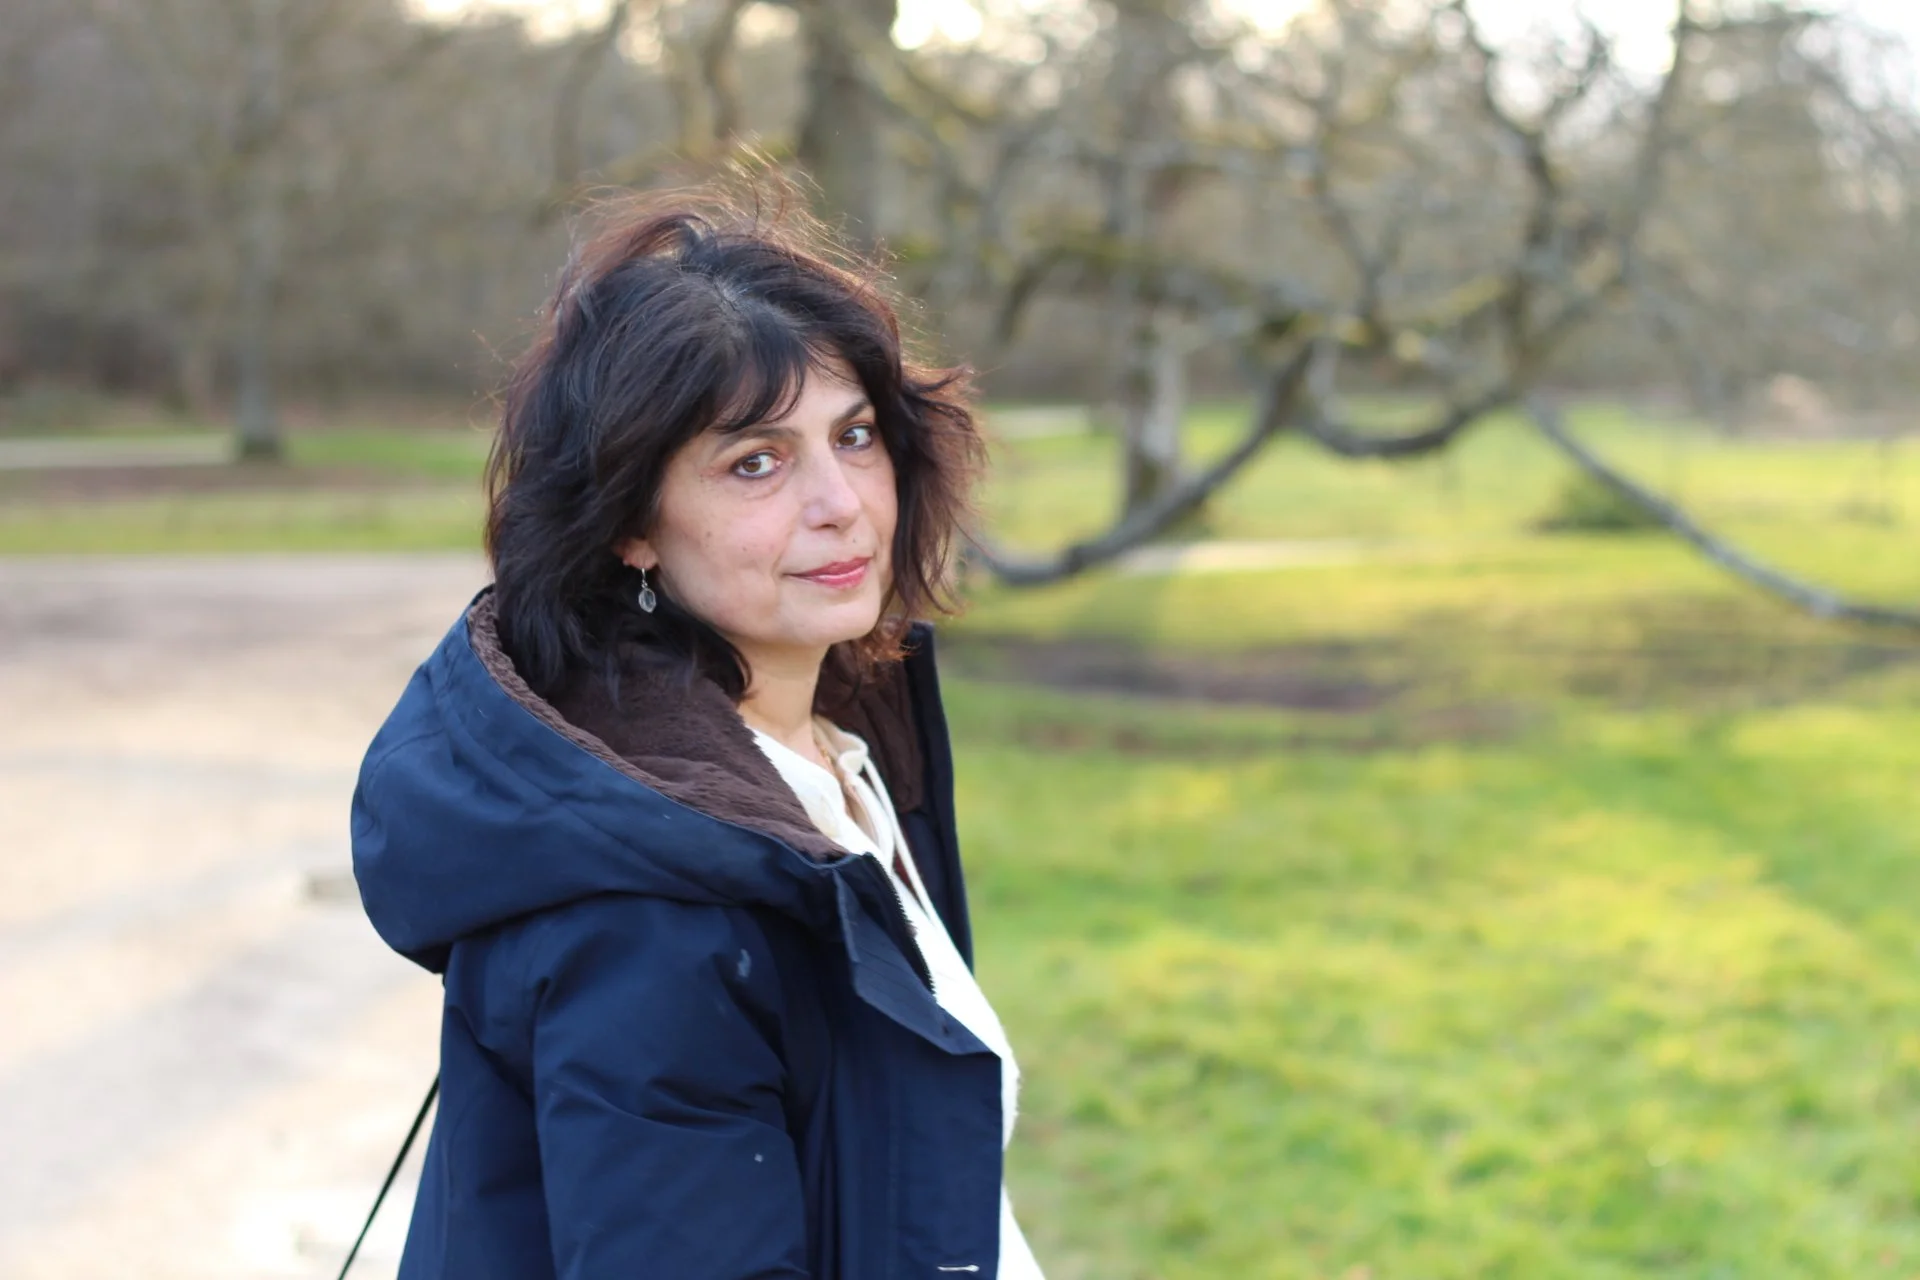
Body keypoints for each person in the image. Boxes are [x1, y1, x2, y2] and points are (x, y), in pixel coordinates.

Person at [350, 184, 1046, 1280]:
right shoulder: (653, 906)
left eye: (855, 435)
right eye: (755, 461)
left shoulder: (837, 759)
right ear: (630, 524)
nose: (841, 502)